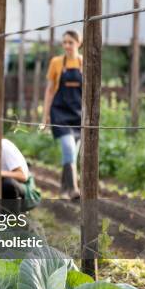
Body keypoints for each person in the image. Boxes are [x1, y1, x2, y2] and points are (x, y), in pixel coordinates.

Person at [42, 30, 83, 199]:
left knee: (72, 154)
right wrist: (45, 115)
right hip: (59, 113)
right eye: (64, 42)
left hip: (79, 115)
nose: (67, 45)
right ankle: (73, 189)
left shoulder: (84, 63)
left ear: (78, 44)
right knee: (68, 147)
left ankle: (64, 191)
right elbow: (50, 91)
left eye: (70, 42)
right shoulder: (56, 62)